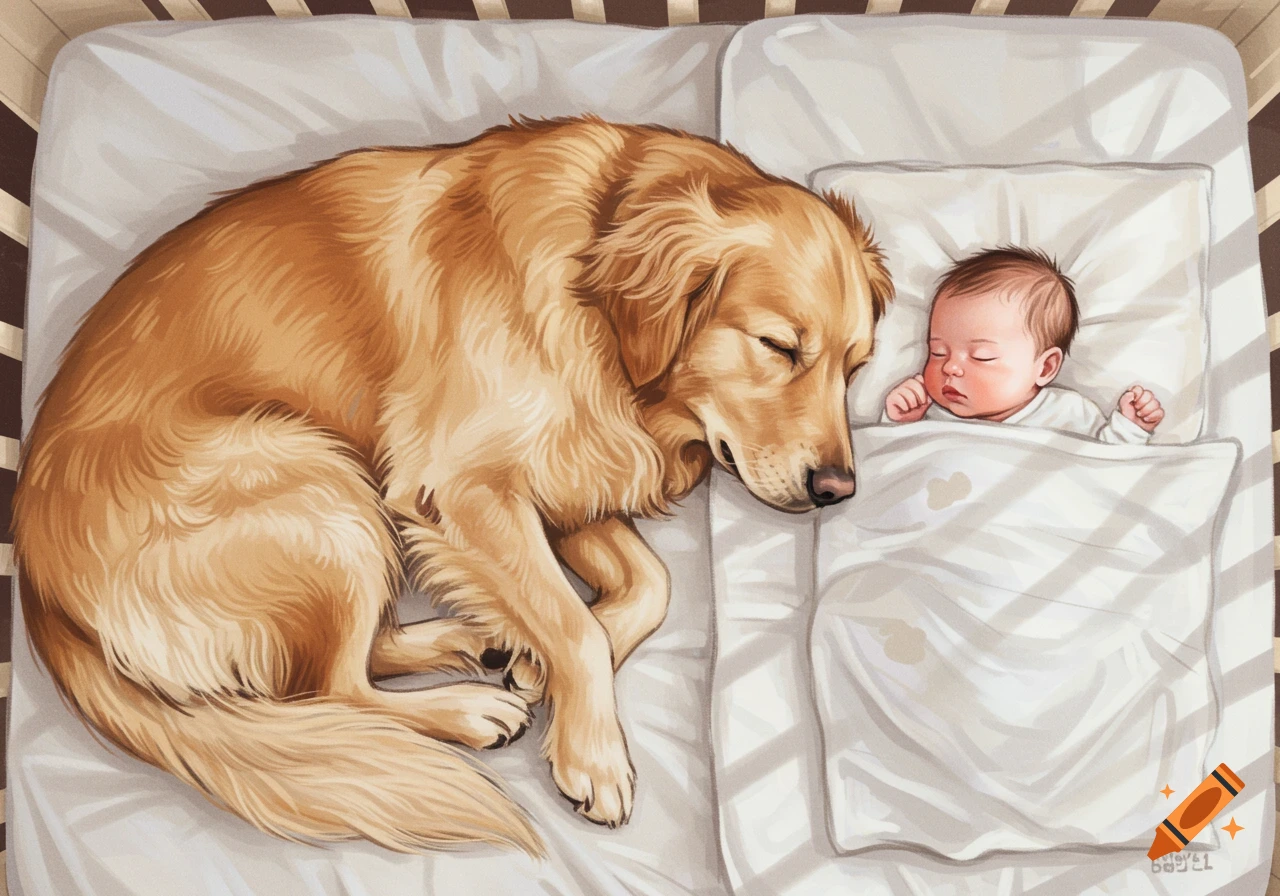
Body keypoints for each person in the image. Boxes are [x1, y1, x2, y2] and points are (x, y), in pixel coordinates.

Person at [884, 246, 1163, 443]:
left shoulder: (1069, 415)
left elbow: (1102, 472)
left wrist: (1129, 429)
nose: (951, 367)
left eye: (982, 356)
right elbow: (898, 470)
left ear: (1045, 367)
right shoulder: (931, 417)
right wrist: (897, 425)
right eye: (938, 352)